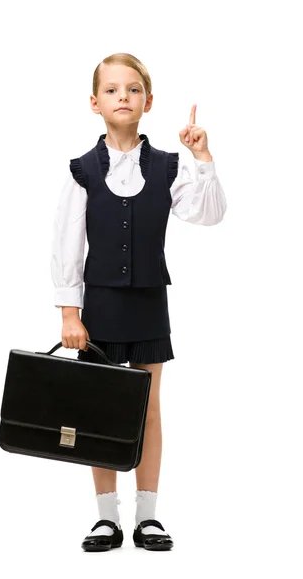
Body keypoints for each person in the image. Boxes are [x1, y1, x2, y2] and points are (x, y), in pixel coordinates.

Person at [50, 53, 227, 552]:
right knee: (101, 409)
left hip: (149, 300)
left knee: (148, 408)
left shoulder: (169, 167)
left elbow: (209, 214)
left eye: (132, 89)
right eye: (111, 90)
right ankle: (107, 517)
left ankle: (148, 515)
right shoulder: (82, 170)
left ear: (149, 101)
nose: (122, 97)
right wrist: (69, 311)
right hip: (100, 305)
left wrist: (202, 157)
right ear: (94, 102)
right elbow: (67, 243)